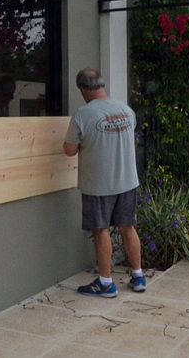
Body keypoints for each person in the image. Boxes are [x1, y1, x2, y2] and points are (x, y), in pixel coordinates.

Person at [63, 68, 146, 298]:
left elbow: (69, 150)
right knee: (127, 226)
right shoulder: (126, 110)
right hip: (128, 181)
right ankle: (138, 276)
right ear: (102, 85)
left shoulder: (83, 114)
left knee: (101, 230)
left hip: (99, 184)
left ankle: (106, 283)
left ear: (82, 89)